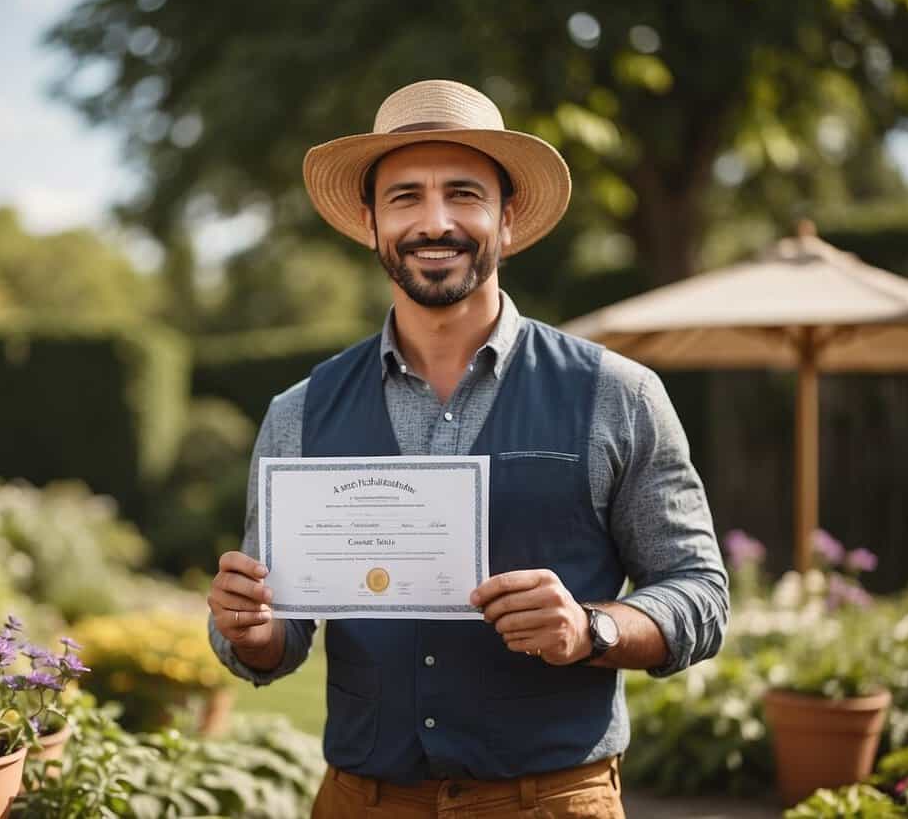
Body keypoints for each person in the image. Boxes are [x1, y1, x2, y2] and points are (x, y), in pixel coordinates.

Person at [207, 79, 729, 818]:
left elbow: (700, 593)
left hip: (551, 799)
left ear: (507, 218)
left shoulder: (617, 394)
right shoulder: (298, 413)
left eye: (463, 193)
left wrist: (591, 627)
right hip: (363, 801)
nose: (435, 221)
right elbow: (279, 633)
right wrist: (257, 632)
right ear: (371, 222)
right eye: (405, 198)